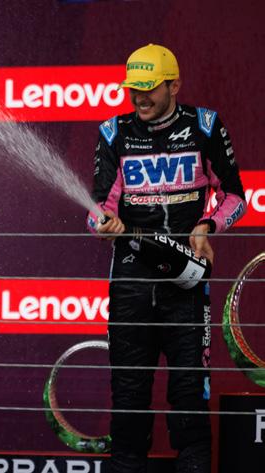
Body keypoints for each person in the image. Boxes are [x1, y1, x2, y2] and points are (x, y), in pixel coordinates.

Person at [86, 44, 246, 473]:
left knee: (190, 397)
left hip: (186, 283)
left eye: (149, 88)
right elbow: (97, 207)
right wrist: (103, 222)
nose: (139, 97)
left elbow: (236, 197)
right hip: (131, 285)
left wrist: (208, 225)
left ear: (174, 85)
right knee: (129, 399)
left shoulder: (204, 126)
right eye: (133, 89)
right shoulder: (113, 131)